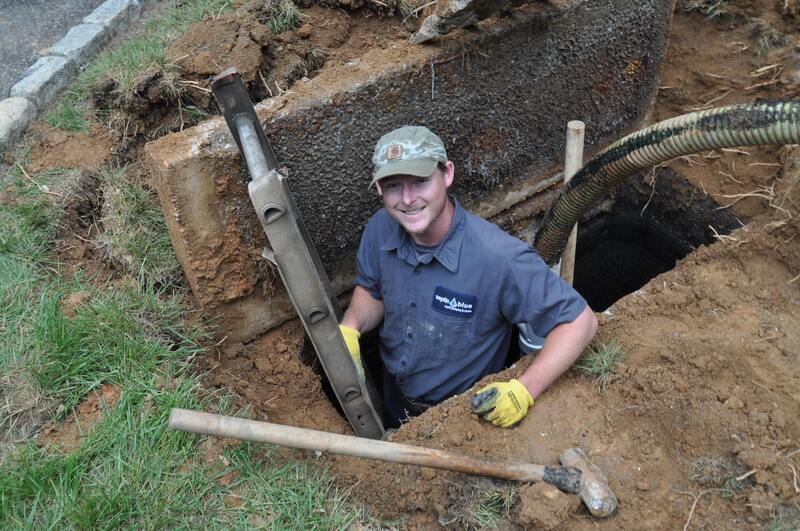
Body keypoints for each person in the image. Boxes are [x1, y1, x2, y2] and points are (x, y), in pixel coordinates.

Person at [339, 125, 597, 429]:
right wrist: (351, 326)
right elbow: (372, 289)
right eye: (393, 185)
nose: (407, 199)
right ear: (380, 189)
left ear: (447, 174)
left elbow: (580, 321)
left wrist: (524, 390)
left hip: (461, 419)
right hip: (395, 395)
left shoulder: (498, 259)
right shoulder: (380, 228)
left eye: (420, 181)